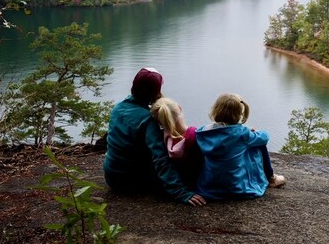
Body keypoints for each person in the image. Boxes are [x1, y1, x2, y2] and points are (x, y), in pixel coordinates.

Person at [103, 67, 206, 206]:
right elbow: (160, 159)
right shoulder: (147, 119)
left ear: (134, 86)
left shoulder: (117, 108)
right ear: (155, 91)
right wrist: (181, 192)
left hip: (111, 176)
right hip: (131, 181)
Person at [196, 93, 286, 200]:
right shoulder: (242, 133)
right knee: (258, 143)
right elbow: (265, 137)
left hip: (209, 187)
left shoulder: (203, 131)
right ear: (239, 114)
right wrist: (255, 132)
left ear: (215, 110)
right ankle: (271, 178)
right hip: (237, 188)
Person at [150, 97, 203, 187]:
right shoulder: (195, 135)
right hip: (194, 184)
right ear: (179, 107)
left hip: (176, 182)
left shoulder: (161, 139)